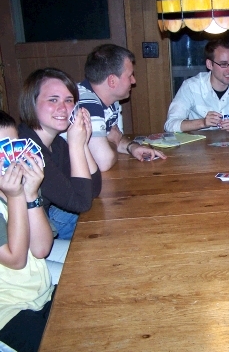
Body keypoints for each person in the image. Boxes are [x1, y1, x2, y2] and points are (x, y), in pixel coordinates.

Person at [18, 68, 102, 241]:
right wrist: (76, 146)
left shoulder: (56, 143)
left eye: (69, 100)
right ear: (32, 103)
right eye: (53, 99)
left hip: (41, 229)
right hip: (22, 244)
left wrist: (83, 143)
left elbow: (93, 189)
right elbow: (81, 203)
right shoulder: (27, 150)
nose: (63, 108)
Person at [0, 110, 55, 352]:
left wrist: (31, 195)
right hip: (8, 310)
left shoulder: (21, 186)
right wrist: (15, 197)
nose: (11, 158)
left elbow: (42, 249)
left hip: (39, 292)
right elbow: (16, 259)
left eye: (13, 147)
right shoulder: (13, 193)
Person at [78, 44, 166, 172]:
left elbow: (117, 137)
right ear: (112, 81)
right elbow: (103, 162)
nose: (134, 81)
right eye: (130, 75)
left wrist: (132, 147)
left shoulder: (110, 101)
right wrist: (113, 141)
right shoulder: (88, 103)